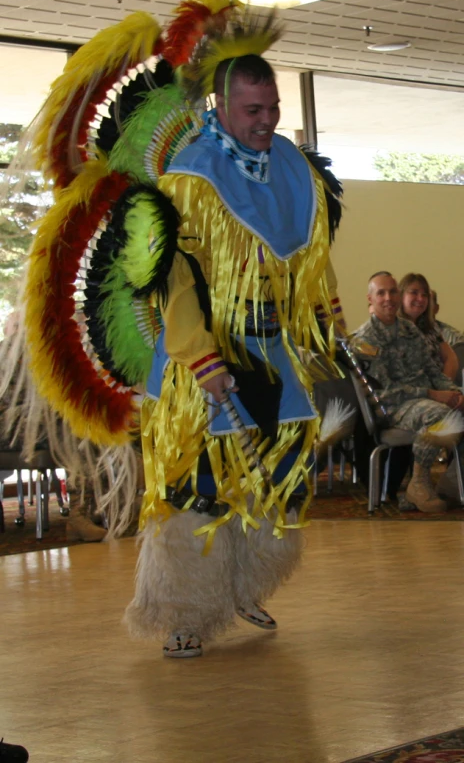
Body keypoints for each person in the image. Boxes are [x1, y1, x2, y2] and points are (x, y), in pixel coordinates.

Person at [124, 46, 344, 657]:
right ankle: (187, 613)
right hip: (206, 355)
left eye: (272, 107)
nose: (266, 120)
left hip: (271, 347)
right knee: (200, 486)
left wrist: (325, 314)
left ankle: (244, 586)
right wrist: (201, 357)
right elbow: (177, 282)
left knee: (277, 475)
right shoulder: (191, 178)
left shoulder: (292, 169)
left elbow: (308, 261)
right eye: (253, 109)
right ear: (222, 106)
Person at [351, 271, 464, 513]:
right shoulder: (364, 340)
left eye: (392, 291)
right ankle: (418, 484)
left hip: (421, 401)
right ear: (370, 299)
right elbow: (386, 391)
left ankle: (453, 484)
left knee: (456, 408)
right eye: (381, 293)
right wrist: (434, 395)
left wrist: (455, 394)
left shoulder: (410, 330)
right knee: (440, 415)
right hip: (392, 408)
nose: (388, 298)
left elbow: (434, 371)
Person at [398, 273, 458, 380]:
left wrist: (444, 387)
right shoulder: (393, 328)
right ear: (401, 296)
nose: (420, 299)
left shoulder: (430, 327)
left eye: (424, 295)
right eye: (414, 293)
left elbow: (450, 358)